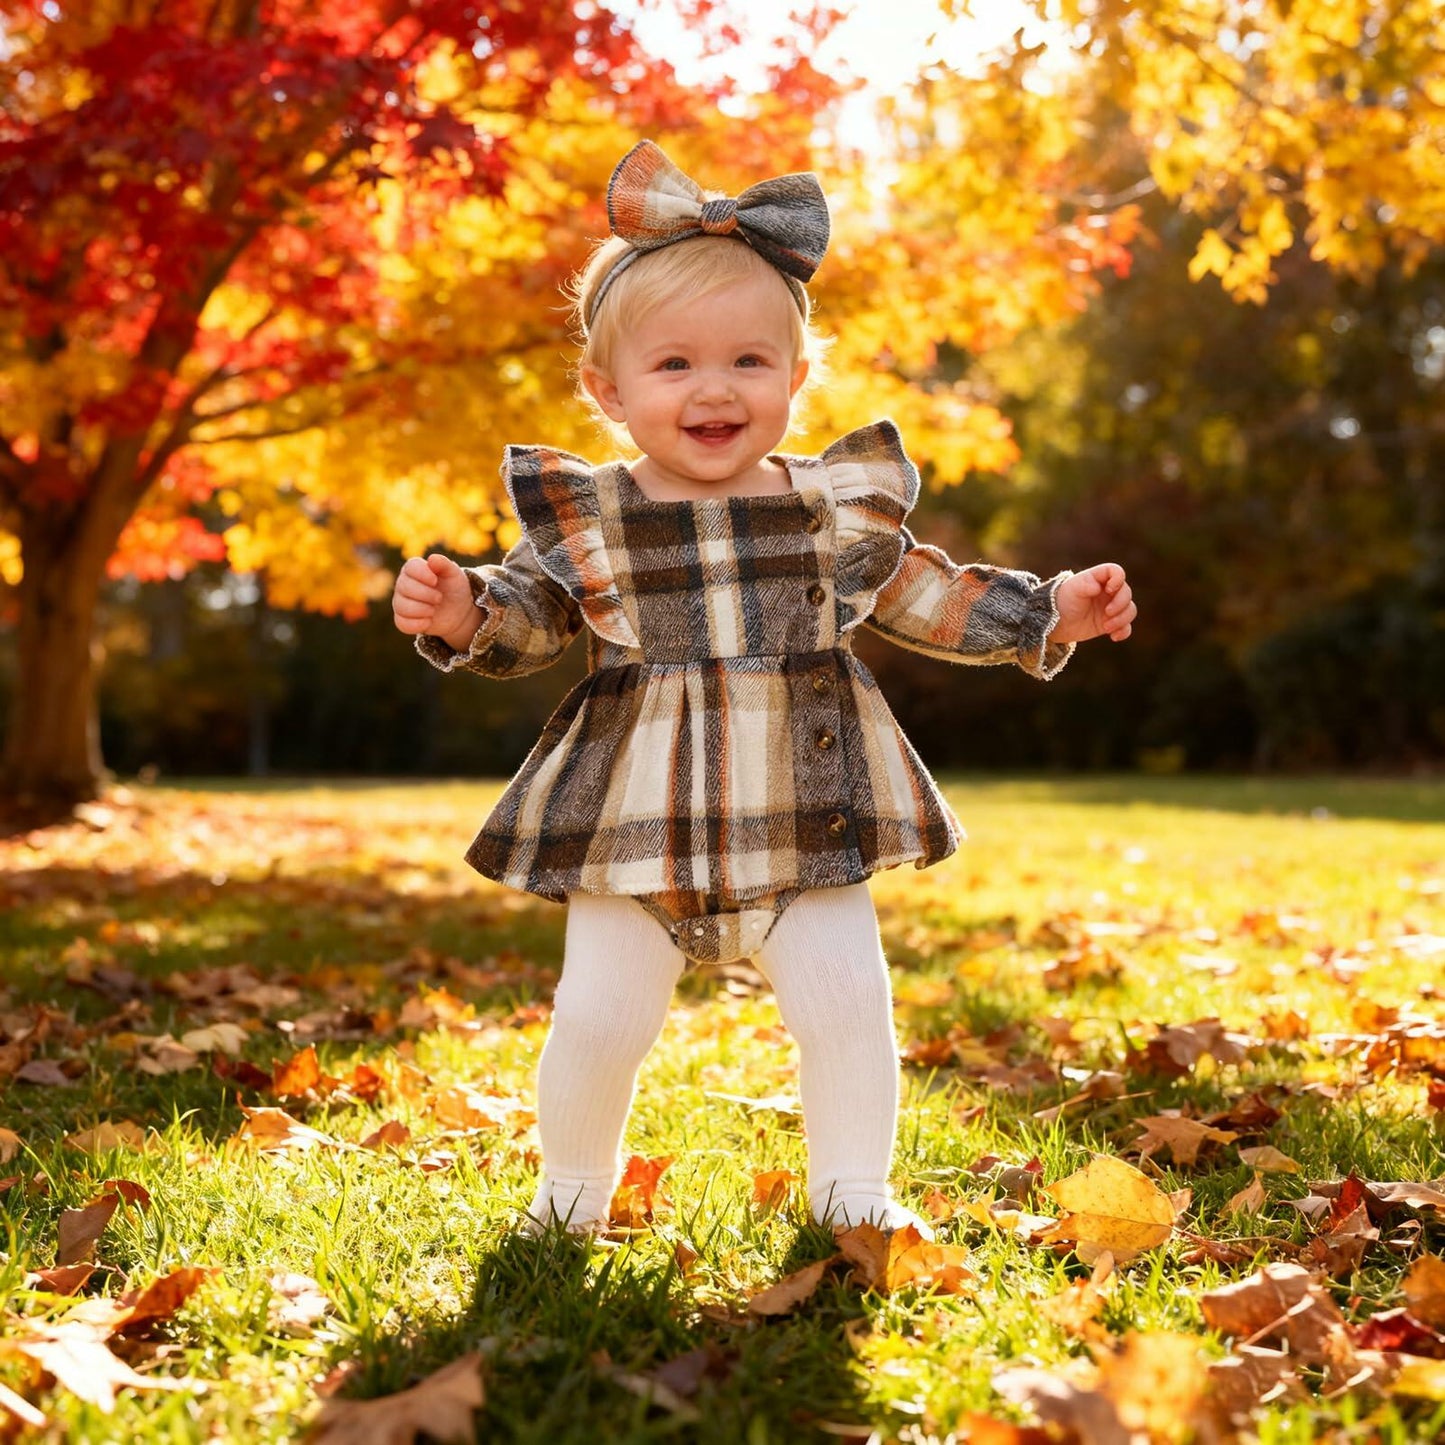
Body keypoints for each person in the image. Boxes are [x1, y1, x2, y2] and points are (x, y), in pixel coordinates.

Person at [392, 140, 1136, 1239]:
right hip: (636, 826)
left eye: (748, 360)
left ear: (794, 377)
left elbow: (924, 597)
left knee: (847, 1011)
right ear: (607, 388)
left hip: (806, 813)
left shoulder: (828, 508)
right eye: (674, 365)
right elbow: (532, 612)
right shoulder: (594, 515)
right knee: (597, 1020)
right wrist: (466, 612)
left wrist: (1049, 611)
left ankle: (851, 1194)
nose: (714, 388)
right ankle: (568, 1196)